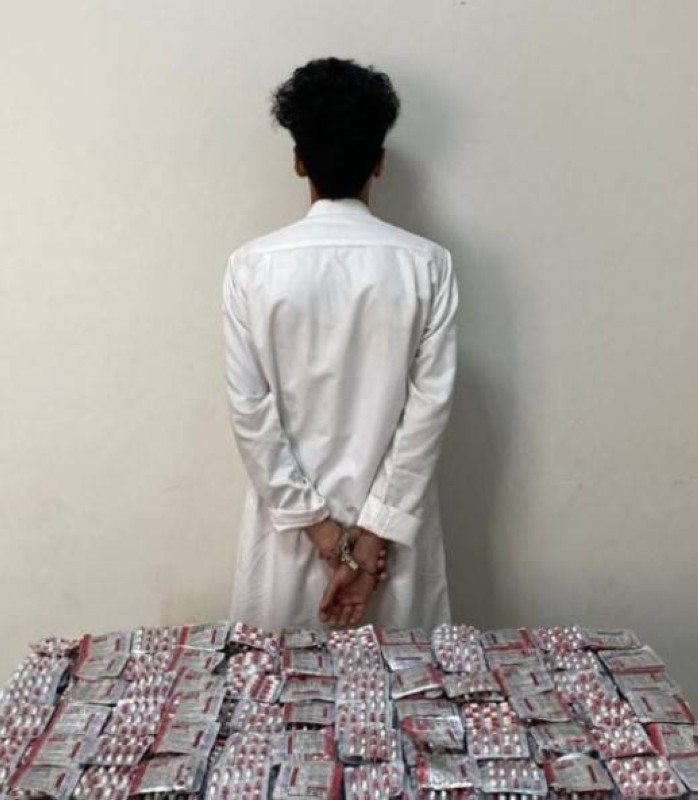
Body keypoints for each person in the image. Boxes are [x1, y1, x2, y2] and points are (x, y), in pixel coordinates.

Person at [222, 56, 459, 631]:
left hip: (288, 544)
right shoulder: (427, 266)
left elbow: (250, 413)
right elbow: (428, 410)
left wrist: (326, 536)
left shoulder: (251, 268)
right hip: (391, 551)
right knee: (406, 683)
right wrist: (372, 535)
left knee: (276, 685)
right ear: (379, 163)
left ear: (298, 161)